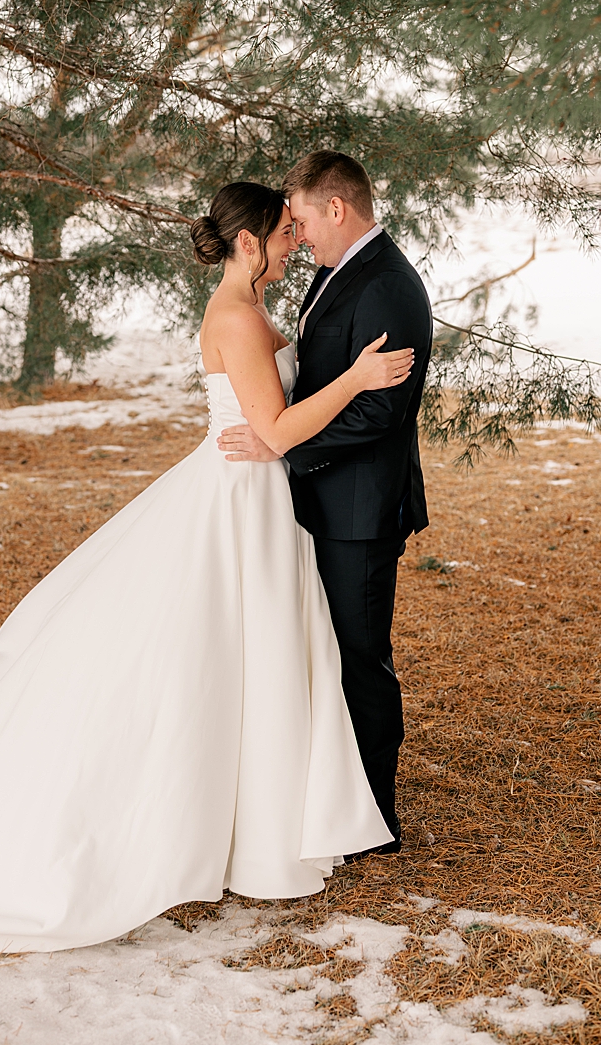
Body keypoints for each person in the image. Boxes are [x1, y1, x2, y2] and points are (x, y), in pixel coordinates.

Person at [0, 181, 415, 952]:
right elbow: (270, 430)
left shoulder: (255, 307)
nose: (293, 242)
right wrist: (356, 379)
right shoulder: (235, 316)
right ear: (247, 244)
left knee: (251, 658)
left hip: (261, 503)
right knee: (222, 655)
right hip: (240, 496)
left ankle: (254, 816)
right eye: (281, 233)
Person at [216, 151, 433, 855]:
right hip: (311, 501)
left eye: (303, 219)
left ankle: (374, 820)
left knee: (361, 657)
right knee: (322, 652)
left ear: (335, 208)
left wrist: (283, 448)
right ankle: (330, 801)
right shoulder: (334, 275)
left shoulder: (390, 286)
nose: (299, 234)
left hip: (357, 510)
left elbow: (380, 414)